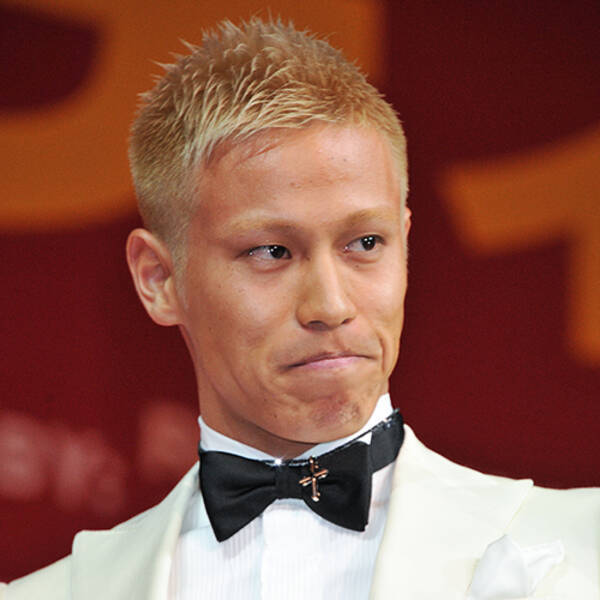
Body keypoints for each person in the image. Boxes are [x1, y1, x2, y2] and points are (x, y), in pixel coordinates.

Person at [2, 17, 598, 600]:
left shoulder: (580, 550)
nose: (330, 306)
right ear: (159, 279)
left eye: (366, 243)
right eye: (272, 252)